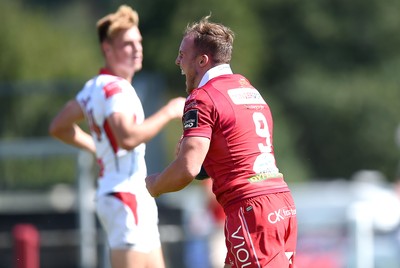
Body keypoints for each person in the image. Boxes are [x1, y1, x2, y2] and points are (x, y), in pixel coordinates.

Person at [145, 16, 297, 268]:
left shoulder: (202, 97)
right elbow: (229, 152)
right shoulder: (247, 88)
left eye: (183, 54)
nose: (178, 61)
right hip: (280, 203)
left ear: (202, 60)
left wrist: (154, 185)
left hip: (251, 210)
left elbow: (187, 169)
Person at [49, 5, 185, 268]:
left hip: (129, 194)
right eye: (127, 44)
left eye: (138, 42)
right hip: (126, 195)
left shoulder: (94, 86)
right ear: (107, 50)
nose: (137, 49)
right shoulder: (116, 88)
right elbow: (128, 138)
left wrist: (98, 148)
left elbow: (58, 126)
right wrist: (168, 112)